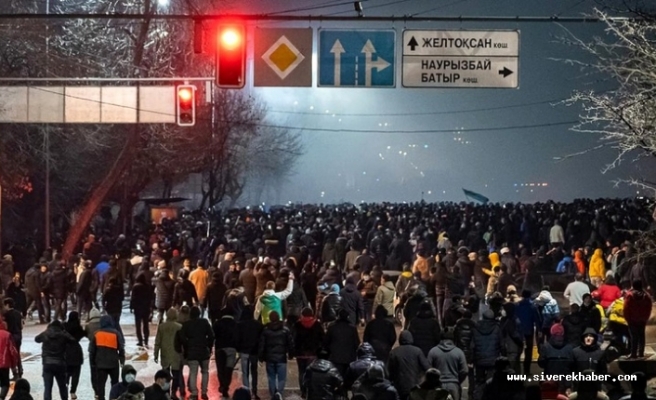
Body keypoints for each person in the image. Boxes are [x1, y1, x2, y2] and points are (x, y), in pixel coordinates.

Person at [176, 306, 214, 400]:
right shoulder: (204, 322)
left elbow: (182, 338)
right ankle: (204, 392)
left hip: (192, 352)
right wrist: (209, 346)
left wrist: (187, 347)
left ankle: (194, 393)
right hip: (204, 351)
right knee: (205, 372)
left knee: (193, 372)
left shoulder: (187, 324)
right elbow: (211, 335)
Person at [35, 320, 75, 400]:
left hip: (47, 364)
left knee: (47, 387)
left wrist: (46, 331)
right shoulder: (63, 334)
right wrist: (64, 332)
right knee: (62, 386)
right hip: (60, 364)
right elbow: (73, 340)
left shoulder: (46, 333)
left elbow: (36, 339)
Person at [258, 311, 293, 399]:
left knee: (271, 377)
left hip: (269, 358)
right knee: (282, 378)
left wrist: (261, 357)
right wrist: (291, 354)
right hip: (281, 358)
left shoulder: (266, 330)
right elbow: (290, 343)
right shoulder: (285, 329)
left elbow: (262, 345)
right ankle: (279, 394)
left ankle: (273, 394)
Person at [90, 315, 126, 400]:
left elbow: (92, 351)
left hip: (100, 364)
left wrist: (93, 363)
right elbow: (121, 348)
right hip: (113, 364)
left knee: (101, 386)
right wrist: (122, 360)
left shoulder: (97, 334)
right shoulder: (116, 333)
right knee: (114, 384)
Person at [388, 331, 430, 400]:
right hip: (415, 386)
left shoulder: (394, 352)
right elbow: (427, 368)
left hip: (399, 387)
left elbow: (389, 372)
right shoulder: (417, 351)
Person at [472, 310, 504, 400]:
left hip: (479, 359)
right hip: (493, 360)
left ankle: (478, 397)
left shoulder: (476, 328)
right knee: (491, 382)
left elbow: (472, 346)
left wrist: (471, 359)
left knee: (479, 382)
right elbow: (501, 345)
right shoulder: (497, 328)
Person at [293, 307, 324, 398]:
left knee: (301, 372)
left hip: (300, 353)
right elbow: (322, 338)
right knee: (311, 372)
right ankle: (310, 390)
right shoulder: (317, 325)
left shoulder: (297, 324)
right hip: (313, 353)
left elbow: (293, 338)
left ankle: (303, 391)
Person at [154, 309, 182, 400]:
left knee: (165, 374)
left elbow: (157, 342)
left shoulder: (161, 327)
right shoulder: (179, 327)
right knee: (176, 374)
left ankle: (166, 392)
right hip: (176, 354)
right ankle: (174, 391)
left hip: (165, 353)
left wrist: (155, 354)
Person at [323, 309, 361, 377]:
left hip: (335, 357)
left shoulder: (332, 327)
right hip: (349, 357)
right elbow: (357, 343)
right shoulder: (352, 328)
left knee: (337, 376)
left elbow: (326, 342)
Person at [236, 305, 263, 400]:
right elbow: (261, 339)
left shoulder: (239, 325)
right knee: (254, 371)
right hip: (254, 351)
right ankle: (254, 391)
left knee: (245, 372)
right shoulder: (258, 325)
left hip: (244, 351)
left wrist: (238, 349)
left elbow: (237, 338)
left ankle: (246, 391)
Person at [214, 308, 239, 399]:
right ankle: (226, 387)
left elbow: (213, 336)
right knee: (229, 369)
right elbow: (238, 337)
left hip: (220, 348)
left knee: (220, 369)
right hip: (231, 349)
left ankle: (222, 385)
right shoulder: (235, 324)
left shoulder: (217, 324)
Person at [624, 280, 653, 359]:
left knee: (634, 337)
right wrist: (645, 317)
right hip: (642, 319)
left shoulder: (630, 295)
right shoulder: (646, 296)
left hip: (632, 319)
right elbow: (649, 308)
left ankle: (633, 353)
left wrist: (627, 319)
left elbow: (626, 308)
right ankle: (641, 352)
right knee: (641, 336)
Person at [515, 290, 541, 374]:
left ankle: (517, 369)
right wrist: (539, 329)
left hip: (518, 331)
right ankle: (527, 370)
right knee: (528, 351)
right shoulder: (533, 306)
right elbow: (537, 319)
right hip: (529, 331)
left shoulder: (517, 305)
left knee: (518, 350)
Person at [63, 312, 85, 400]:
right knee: (76, 374)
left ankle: (65, 386)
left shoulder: (64, 326)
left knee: (66, 373)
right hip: (76, 351)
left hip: (66, 351)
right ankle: (73, 392)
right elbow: (84, 334)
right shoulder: (78, 328)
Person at [130, 274, 153, 348]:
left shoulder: (135, 286)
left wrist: (131, 307)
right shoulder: (148, 286)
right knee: (146, 324)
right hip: (146, 307)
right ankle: (146, 340)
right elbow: (150, 297)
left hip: (138, 307)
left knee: (138, 324)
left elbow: (133, 297)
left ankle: (140, 340)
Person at [3, 299, 23, 380]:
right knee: (17, 353)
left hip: (11, 336)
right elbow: (21, 326)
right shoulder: (18, 313)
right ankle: (20, 370)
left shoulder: (6, 315)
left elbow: (6, 326)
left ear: (7, 305)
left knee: (11, 355)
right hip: (19, 335)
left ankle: (15, 373)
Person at [0, 320, 18, 400]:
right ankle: (2, 397)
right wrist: (14, 365)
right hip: (4, 363)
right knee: (5, 384)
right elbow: (13, 351)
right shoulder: (7, 335)